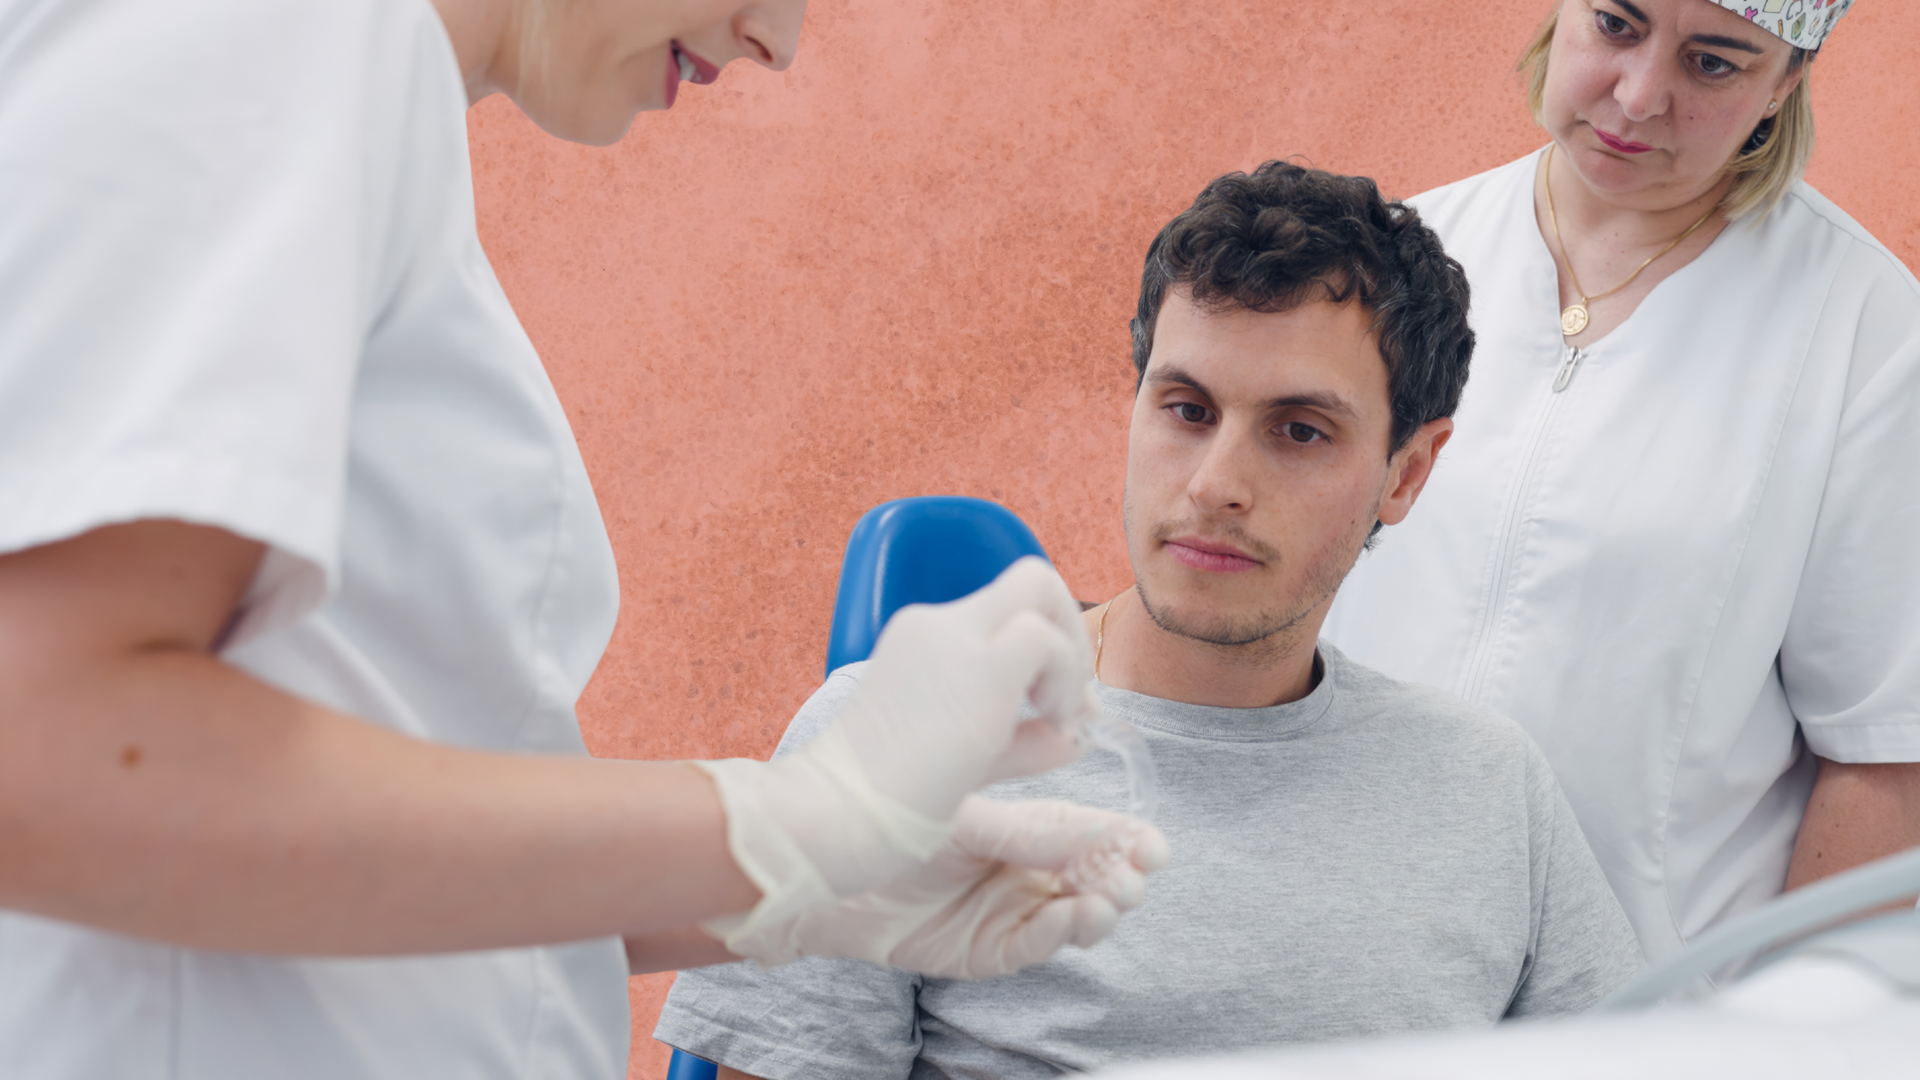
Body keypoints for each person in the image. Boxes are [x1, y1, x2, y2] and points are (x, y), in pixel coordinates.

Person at [0, 1, 1167, 1077]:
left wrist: (798, 888)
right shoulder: (275, 36)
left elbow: (351, 822)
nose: (780, 37)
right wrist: (788, 828)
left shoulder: (360, 104)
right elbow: (42, 754)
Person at [653, 163, 1647, 1080]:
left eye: (1299, 432)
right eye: (1186, 409)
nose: (1216, 486)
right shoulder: (897, 739)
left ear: (1407, 472)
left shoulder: (1490, 789)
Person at [1321, 0, 1920, 965]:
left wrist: (1782, 1033)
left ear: (1786, 81)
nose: (1640, 97)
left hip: (1644, 1019)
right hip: (1339, 976)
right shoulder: (1395, 263)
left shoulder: (1866, 334)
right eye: (1615, 24)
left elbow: (1889, 755)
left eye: (1715, 64)